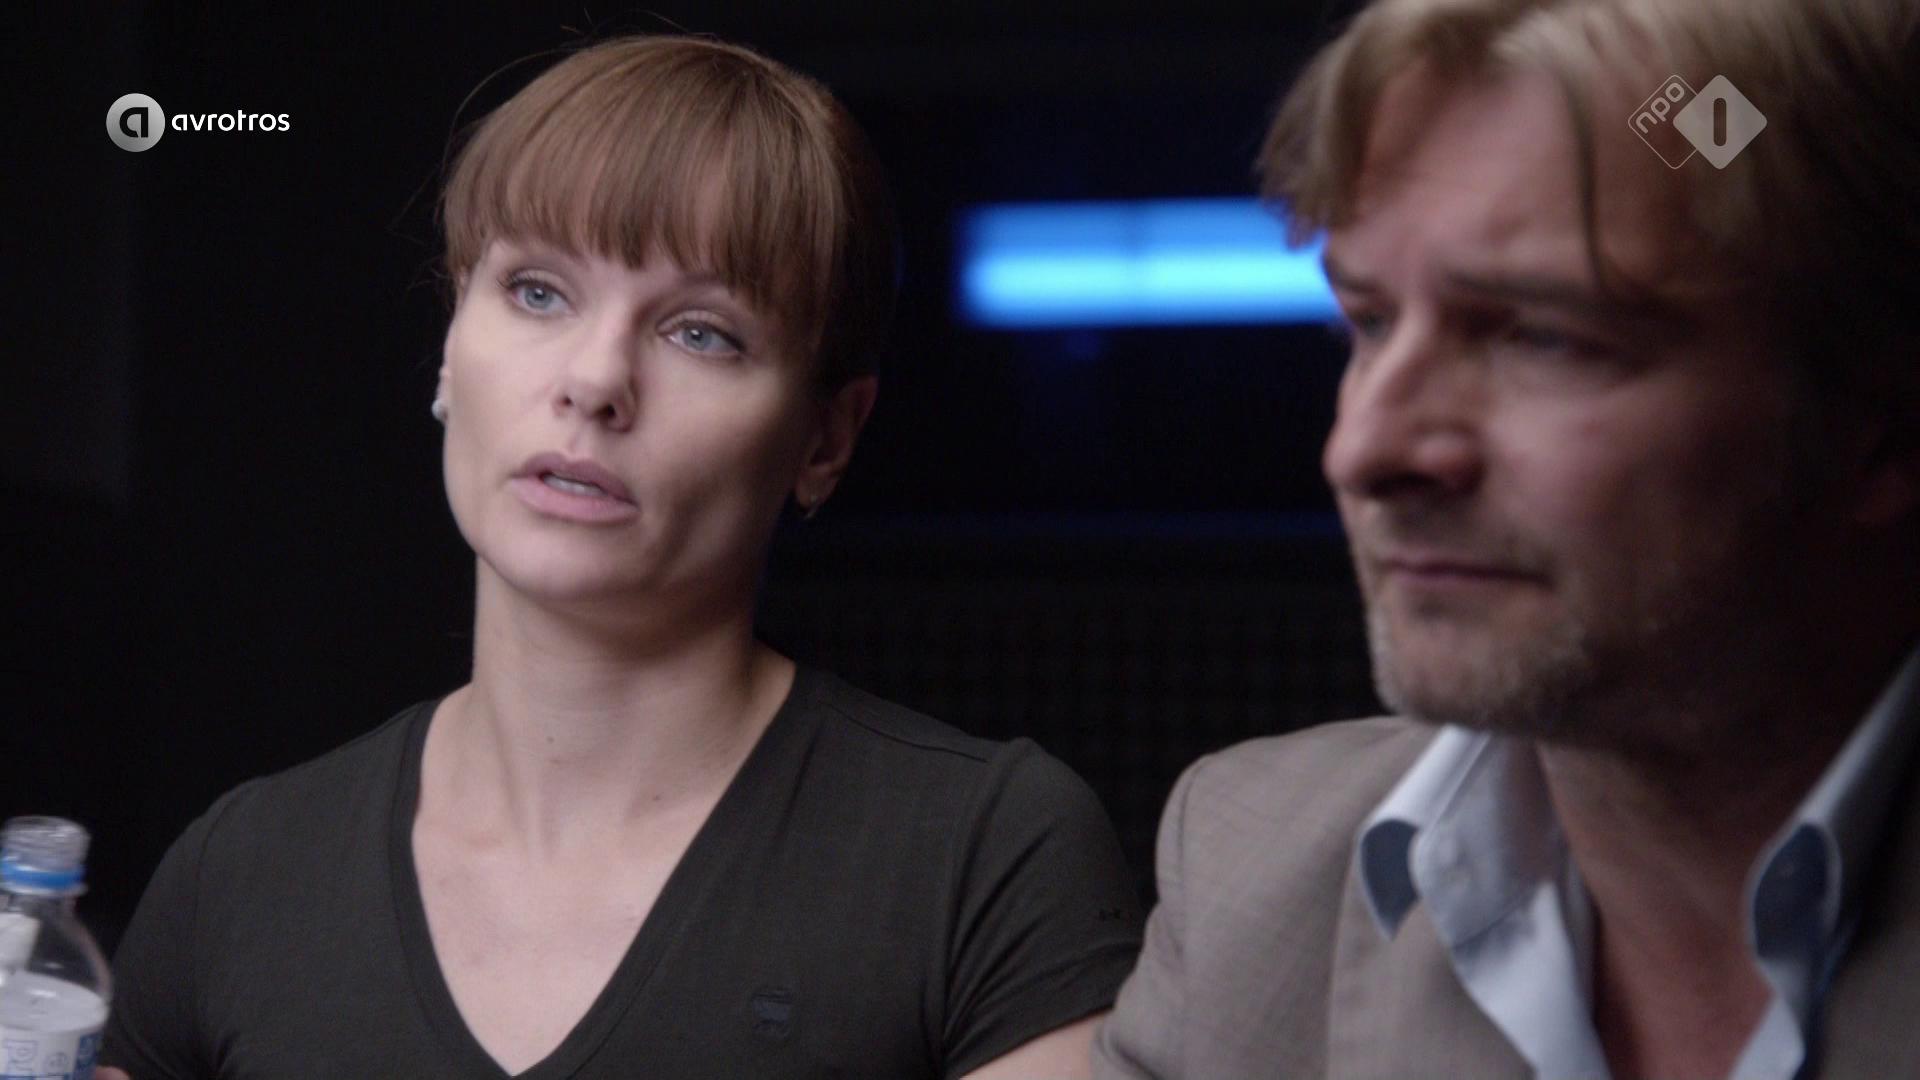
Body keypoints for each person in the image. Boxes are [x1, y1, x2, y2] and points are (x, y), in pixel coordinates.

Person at [101, 35, 1141, 1080]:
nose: (595, 380)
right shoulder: (238, 875)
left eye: (701, 333)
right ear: (450, 347)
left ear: (825, 439)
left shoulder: (983, 856)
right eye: (538, 292)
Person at [1095, 0, 1920, 1076]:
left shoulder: (1712, 127)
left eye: (1544, 337)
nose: (1364, 450)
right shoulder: (1257, 883)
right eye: (1368, 323)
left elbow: (1724, 133)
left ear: (1881, 424)